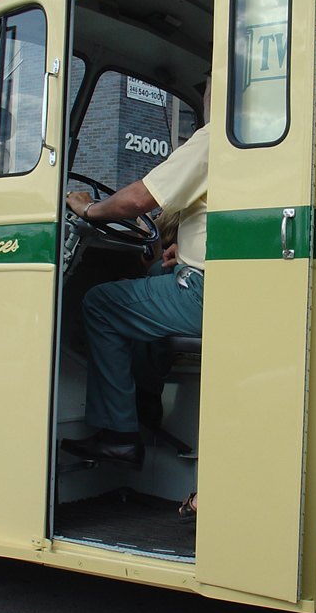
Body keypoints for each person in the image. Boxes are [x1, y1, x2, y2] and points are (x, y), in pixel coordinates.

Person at [61, 78, 210, 471]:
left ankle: (118, 435)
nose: (208, 93)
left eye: (208, 84)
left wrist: (89, 209)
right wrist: (190, 247)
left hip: (205, 291)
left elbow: (140, 199)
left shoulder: (215, 139)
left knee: (101, 304)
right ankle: (143, 410)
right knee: (145, 293)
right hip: (222, 284)